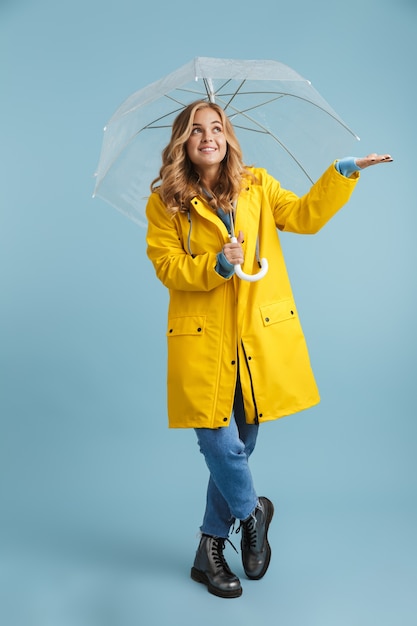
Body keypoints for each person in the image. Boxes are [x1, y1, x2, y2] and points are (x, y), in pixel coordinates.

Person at [145, 99, 392, 599]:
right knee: (221, 446)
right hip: (204, 344)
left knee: (241, 445)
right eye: (197, 130)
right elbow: (166, 266)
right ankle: (252, 510)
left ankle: (208, 549)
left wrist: (341, 173)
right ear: (183, 143)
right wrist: (215, 264)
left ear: (229, 138)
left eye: (217, 128)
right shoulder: (166, 203)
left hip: (255, 341)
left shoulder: (255, 185)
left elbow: (304, 217)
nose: (208, 137)